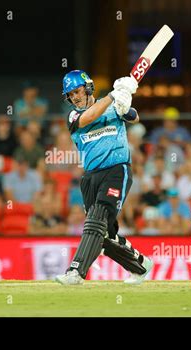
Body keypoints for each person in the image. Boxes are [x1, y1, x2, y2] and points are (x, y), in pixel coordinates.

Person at [55, 70, 153, 285]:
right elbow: (89, 117)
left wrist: (124, 104)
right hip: (90, 177)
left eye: (77, 91)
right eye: (70, 95)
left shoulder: (113, 104)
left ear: (88, 88)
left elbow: (135, 118)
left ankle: (76, 271)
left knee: (97, 217)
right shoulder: (73, 116)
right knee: (103, 233)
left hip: (116, 170)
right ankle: (141, 265)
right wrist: (113, 95)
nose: (75, 97)